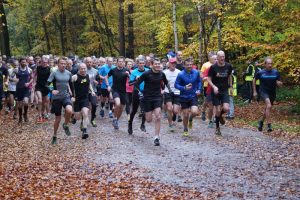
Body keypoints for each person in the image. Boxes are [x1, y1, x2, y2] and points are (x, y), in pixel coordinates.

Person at [135, 58, 172, 146]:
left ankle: (156, 137)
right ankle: (145, 113)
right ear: (151, 65)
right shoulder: (146, 74)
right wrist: (140, 92)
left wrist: (168, 89)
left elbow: (166, 83)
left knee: (158, 116)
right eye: (155, 64)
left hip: (157, 97)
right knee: (149, 120)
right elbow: (136, 84)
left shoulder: (161, 74)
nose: (158, 65)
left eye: (159, 64)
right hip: (147, 98)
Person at [47, 58, 73, 145]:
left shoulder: (68, 73)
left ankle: (65, 125)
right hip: (56, 98)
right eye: (61, 63)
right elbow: (46, 84)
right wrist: (51, 91)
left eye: (64, 64)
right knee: (58, 119)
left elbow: (71, 85)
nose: (63, 65)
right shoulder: (54, 73)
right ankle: (54, 135)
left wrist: (72, 95)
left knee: (69, 110)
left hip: (65, 96)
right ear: (58, 64)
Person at [253, 57, 282, 132]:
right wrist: (255, 91)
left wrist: (279, 83)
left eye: (271, 63)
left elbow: (279, 82)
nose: (270, 65)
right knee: (268, 105)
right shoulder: (260, 73)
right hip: (263, 91)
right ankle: (269, 125)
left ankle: (261, 122)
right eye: (268, 63)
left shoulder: (276, 72)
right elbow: (254, 80)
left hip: (272, 92)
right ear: (265, 64)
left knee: (267, 108)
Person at [207, 51, 232, 136]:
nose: (222, 58)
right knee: (217, 110)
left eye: (223, 56)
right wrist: (214, 87)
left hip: (224, 90)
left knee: (226, 108)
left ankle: (220, 116)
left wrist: (231, 86)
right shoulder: (213, 67)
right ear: (217, 58)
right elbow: (208, 79)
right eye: (220, 57)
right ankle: (217, 128)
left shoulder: (228, 66)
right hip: (216, 91)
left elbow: (230, 76)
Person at [175, 58, 202, 136]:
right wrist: (184, 88)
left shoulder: (196, 72)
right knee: (185, 114)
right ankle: (185, 128)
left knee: (194, 112)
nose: (189, 66)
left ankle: (191, 119)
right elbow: (176, 85)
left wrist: (199, 89)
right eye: (187, 65)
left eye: (191, 64)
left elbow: (199, 82)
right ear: (184, 65)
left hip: (193, 95)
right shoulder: (180, 74)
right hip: (183, 96)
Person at [71, 63, 96, 139]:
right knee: (78, 117)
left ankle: (85, 131)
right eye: (82, 68)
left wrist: (92, 91)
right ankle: (74, 117)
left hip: (85, 98)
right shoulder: (75, 77)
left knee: (85, 113)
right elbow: (68, 85)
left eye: (84, 68)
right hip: (77, 99)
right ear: (79, 69)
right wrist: (71, 96)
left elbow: (89, 84)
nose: (83, 70)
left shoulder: (87, 76)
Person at [105, 57, 130, 130]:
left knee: (121, 108)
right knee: (117, 104)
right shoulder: (113, 70)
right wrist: (108, 85)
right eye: (119, 61)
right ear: (117, 62)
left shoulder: (126, 70)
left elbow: (131, 79)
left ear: (124, 63)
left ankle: (116, 121)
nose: (121, 63)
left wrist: (128, 75)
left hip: (123, 91)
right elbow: (106, 77)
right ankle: (115, 118)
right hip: (115, 90)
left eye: (122, 62)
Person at [128, 58, 149, 135]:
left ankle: (142, 124)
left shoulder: (147, 71)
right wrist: (136, 80)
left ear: (145, 63)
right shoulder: (134, 72)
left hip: (145, 92)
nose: (141, 65)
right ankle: (130, 125)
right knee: (134, 110)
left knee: (144, 110)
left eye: (143, 63)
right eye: (140, 63)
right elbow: (130, 83)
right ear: (137, 64)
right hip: (136, 92)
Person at [13, 58, 33, 123]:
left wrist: (29, 83)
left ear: (26, 62)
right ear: (20, 63)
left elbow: (32, 78)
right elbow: (10, 77)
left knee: (26, 102)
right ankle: (20, 116)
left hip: (26, 88)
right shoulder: (16, 69)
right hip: (19, 89)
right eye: (22, 62)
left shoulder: (29, 70)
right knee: (20, 104)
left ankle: (25, 114)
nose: (24, 63)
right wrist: (14, 80)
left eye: (25, 62)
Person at [164, 57, 181, 132]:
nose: (173, 64)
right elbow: (161, 82)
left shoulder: (179, 72)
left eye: (175, 63)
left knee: (176, 111)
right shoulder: (165, 73)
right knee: (169, 108)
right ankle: (170, 124)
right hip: (168, 92)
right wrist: (161, 89)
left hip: (177, 92)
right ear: (169, 64)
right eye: (172, 63)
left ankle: (174, 117)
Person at [200, 52, 217, 121]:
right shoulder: (205, 65)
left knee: (214, 103)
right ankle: (203, 111)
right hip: (207, 85)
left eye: (216, 58)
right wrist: (205, 78)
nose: (215, 60)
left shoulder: (218, 65)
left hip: (215, 86)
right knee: (206, 101)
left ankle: (214, 117)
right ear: (209, 58)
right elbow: (201, 74)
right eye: (212, 57)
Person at [35, 56, 51, 122]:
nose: (44, 63)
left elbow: (51, 78)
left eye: (46, 62)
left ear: (47, 62)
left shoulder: (49, 69)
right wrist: (32, 82)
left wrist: (51, 86)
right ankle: (39, 115)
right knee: (40, 100)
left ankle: (44, 113)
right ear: (41, 62)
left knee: (45, 102)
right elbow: (34, 75)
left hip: (46, 87)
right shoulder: (38, 68)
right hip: (38, 86)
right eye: (43, 62)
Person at [85, 57, 100, 127]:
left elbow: (98, 81)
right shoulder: (82, 70)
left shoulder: (96, 71)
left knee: (94, 104)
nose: (89, 63)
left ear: (92, 63)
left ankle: (92, 119)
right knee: (85, 107)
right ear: (85, 63)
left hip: (94, 91)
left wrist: (97, 82)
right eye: (88, 62)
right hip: (84, 92)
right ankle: (83, 121)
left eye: (90, 62)